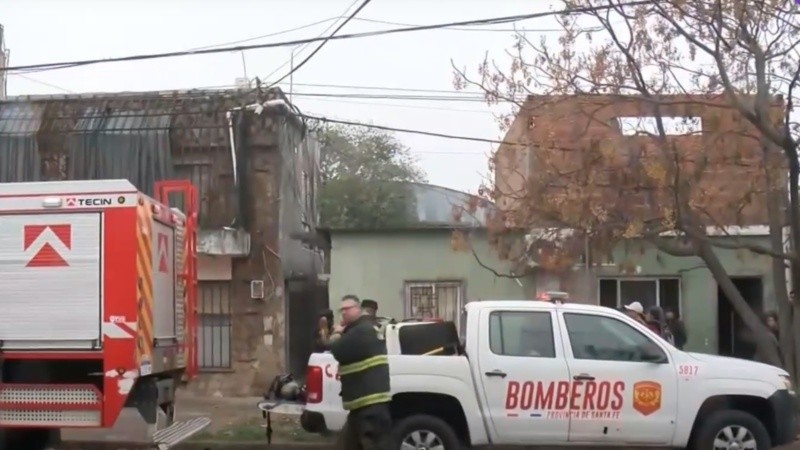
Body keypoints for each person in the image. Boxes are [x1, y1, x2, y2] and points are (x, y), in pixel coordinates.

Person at [326, 295, 391, 450]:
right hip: (362, 405)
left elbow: (337, 350)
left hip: (369, 406)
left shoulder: (361, 331)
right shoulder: (364, 328)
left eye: (347, 309)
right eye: (341, 310)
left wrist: (336, 333)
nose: (343, 313)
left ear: (358, 309)